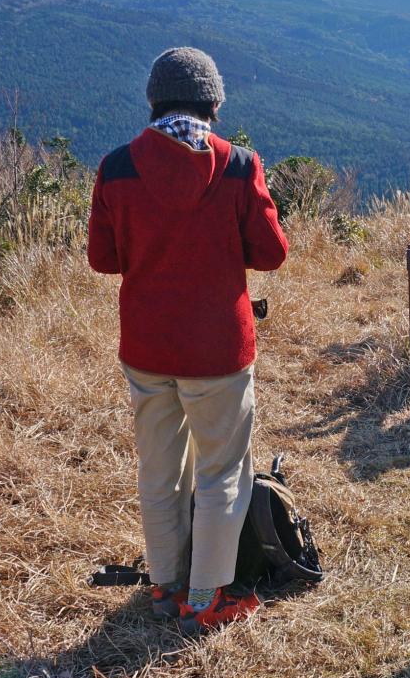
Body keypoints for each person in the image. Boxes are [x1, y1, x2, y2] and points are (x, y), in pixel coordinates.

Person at [88, 47, 288, 636]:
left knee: (159, 470)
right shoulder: (238, 165)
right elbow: (272, 253)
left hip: (147, 347)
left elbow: (103, 259)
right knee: (224, 471)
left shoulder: (118, 166)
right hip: (219, 351)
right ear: (215, 104)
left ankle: (164, 585)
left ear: (153, 101)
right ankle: (204, 601)